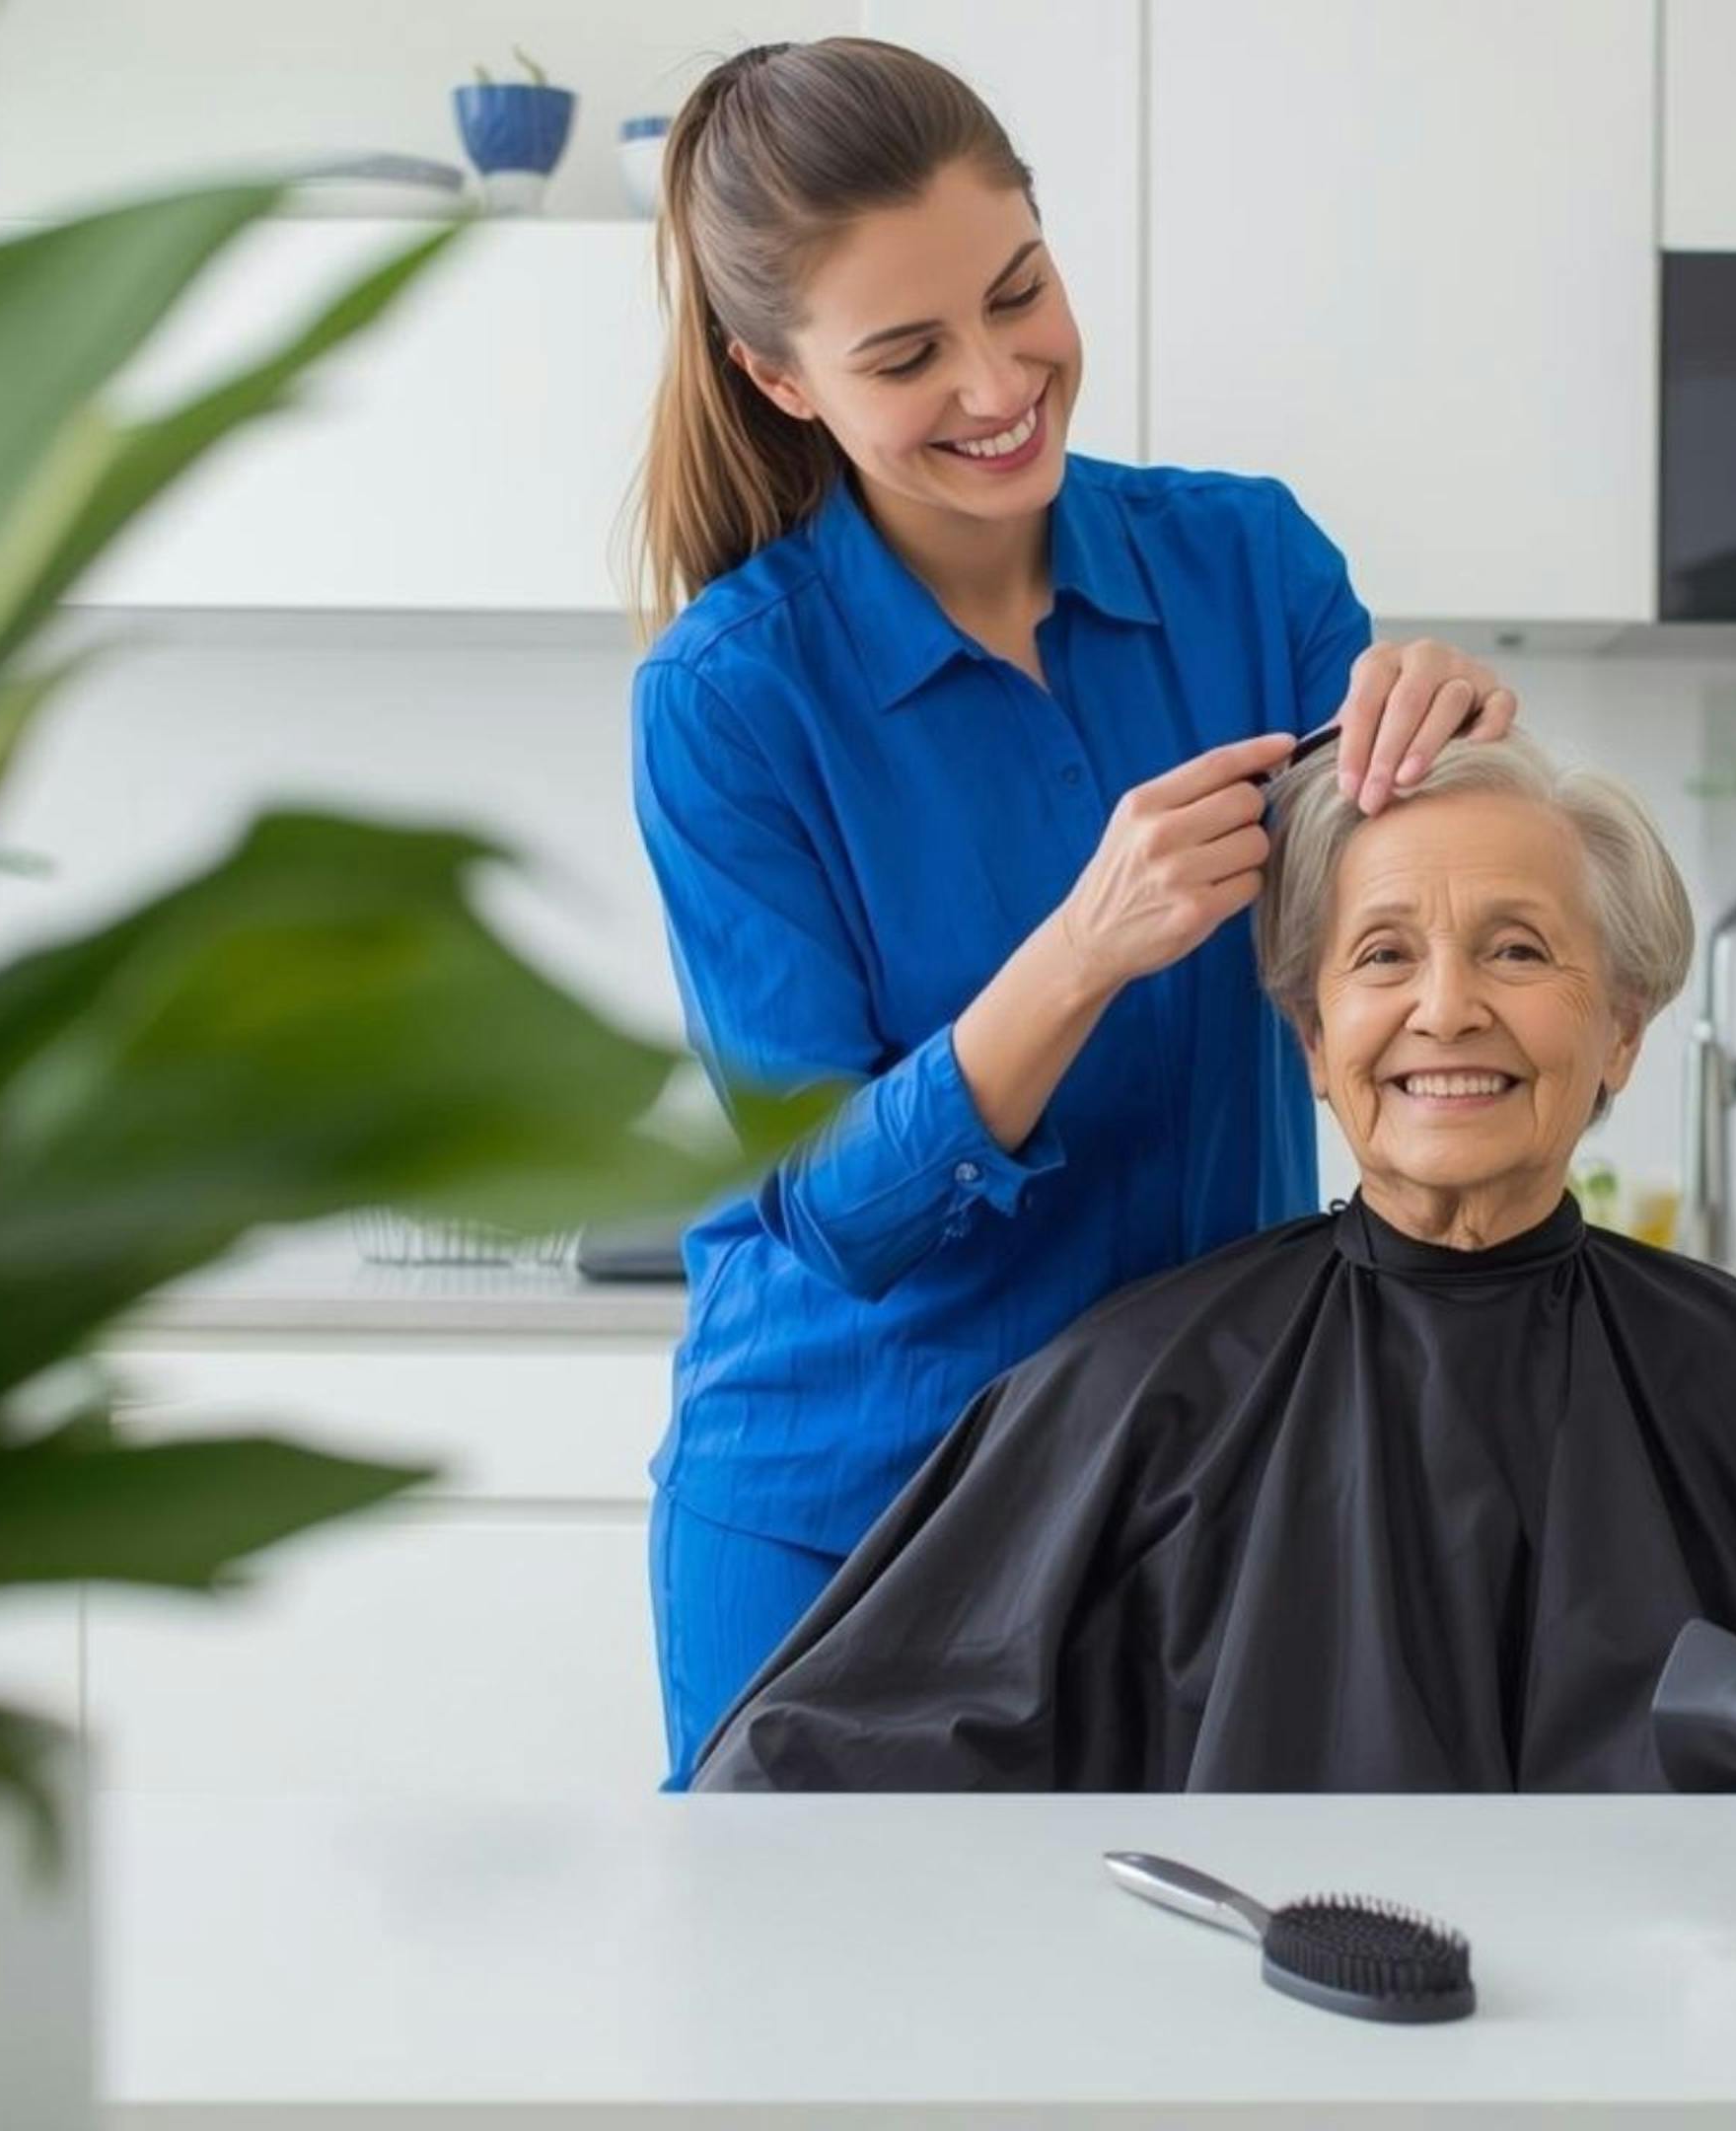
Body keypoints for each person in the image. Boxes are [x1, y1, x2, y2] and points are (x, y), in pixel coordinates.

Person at [626, 38, 1524, 1783]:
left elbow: (1411, 937)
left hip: (1203, 1502)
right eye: (906, 355)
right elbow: (829, 1211)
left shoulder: (1251, 571)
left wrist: (1461, 752)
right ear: (781, 380)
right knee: (820, 2043)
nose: (998, 381)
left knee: (1175, 2034)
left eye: (1018, 291)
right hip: (842, 1519)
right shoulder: (729, 697)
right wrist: (1087, 943)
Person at [690, 735, 1736, 1791]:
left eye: (1517, 951)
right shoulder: (1142, 1393)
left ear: (1618, 1030)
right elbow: (802, 1777)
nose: (1447, 1010)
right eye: (1382, 957)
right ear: (1313, 1037)